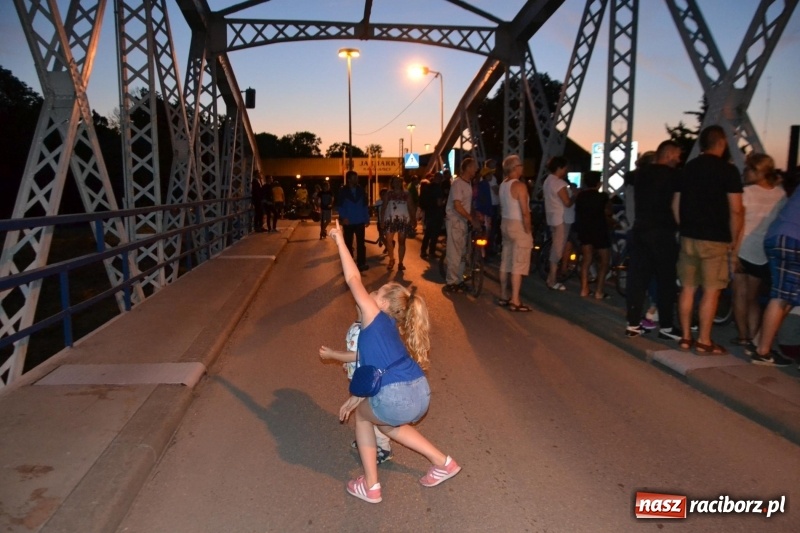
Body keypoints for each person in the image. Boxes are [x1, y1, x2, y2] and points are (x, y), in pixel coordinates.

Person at [328, 219, 461, 504]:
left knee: (363, 418)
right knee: (386, 424)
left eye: (377, 293)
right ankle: (443, 462)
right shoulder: (390, 328)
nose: (372, 293)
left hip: (397, 396)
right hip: (419, 392)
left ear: (384, 304)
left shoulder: (374, 317)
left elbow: (353, 279)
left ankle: (371, 486)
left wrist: (339, 239)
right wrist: (355, 398)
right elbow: (372, 372)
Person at [672, 125, 744, 354]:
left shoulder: (688, 169)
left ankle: (685, 338)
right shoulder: (728, 171)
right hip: (716, 239)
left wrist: (683, 226)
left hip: (689, 237)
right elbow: (736, 210)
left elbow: (676, 203)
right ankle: (704, 341)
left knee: (688, 288)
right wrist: (734, 241)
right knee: (712, 291)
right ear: (721, 143)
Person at [318, 306, 393, 463]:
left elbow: (357, 355)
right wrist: (348, 364)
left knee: (372, 413)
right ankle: (368, 438)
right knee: (363, 412)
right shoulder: (357, 325)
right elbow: (352, 351)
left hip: (369, 380)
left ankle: (383, 447)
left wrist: (333, 355)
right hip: (360, 379)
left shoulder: (364, 330)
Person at [624, 140, 682, 339]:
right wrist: (680, 227)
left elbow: (629, 178)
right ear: (668, 154)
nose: (679, 160)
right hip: (663, 232)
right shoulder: (674, 175)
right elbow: (676, 206)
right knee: (666, 280)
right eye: (677, 155)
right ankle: (666, 327)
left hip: (640, 230)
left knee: (637, 279)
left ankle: (633, 324)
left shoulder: (640, 174)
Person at [731, 153, 786, 346]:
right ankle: (755, 337)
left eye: (748, 169)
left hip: (743, 247)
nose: (745, 172)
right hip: (762, 251)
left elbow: (740, 225)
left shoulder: (747, 192)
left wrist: (734, 253)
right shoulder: (780, 194)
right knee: (753, 298)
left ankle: (743, 336)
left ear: (757, 171)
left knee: (739, 294)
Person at [750, 183, 798, 367]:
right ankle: (763, 352)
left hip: (778, 236)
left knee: (789, 296)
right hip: (794, 240)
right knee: (782, 297)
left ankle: (758, 342)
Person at [497, 155, 533, 312]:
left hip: (505, 224)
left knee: (506, 261)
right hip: (518, 225)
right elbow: (525, 212)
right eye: (520, 165)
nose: (522, 167)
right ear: (514, 168)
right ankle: (515, 300)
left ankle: (503, 295)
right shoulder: (520, 186)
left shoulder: (503, 185)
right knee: (518, 263)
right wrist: (528, 230)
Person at [574, 171, 612, 300]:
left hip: (585, 229)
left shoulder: (580, 196)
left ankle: (584, 289)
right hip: (600, 230)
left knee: (586, 260)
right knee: (604, 261)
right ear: (598, 183)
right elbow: (608, 211)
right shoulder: (603, 196)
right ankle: (599, 291)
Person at [443, 158, 478, 293]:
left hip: (462, 222)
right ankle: (451, 282)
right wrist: (471, 219)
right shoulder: (458, 184)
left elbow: (467, 204)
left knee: (463, 254)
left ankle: (459, 280)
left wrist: (473, 216)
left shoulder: (468, 183)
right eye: (474, 167)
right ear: (467, 168)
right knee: (454, 253)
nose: (476, 169)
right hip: (455, 221)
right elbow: (457, 205)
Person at [542, 156, 575, 291]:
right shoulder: (559, 183)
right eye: (565, 168)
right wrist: (575, 195)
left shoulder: (547, 181)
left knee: (556, 247)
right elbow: (567, 202)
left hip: (552, 218)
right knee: (557, 250)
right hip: (562, 219)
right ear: (560, 168)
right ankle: (552, 280)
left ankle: (551, 278)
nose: (566, 170)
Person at [337, 170, 370, 272]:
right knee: (348, 244)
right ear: (349, 179)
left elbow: (365, 205)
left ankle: (361, 263)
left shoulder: (361, 190)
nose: (357, 179)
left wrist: (366, 218)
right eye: (354, 177)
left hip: (360, 220)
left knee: (361, 244)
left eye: (357, 177)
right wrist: (343, 217)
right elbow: (340, 206)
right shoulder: (343, 191)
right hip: (348, 221)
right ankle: (349, 264)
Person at [381, 176, 416, 271]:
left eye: (399, 181)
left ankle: (400, 263)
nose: (397, 183)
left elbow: (411, 207)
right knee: (388, 240)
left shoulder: (407, 194)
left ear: (402, 183)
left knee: (402, 241)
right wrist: (382, 220)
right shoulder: (388, 194)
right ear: (392, 183)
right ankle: (391, 259)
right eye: (395, 181)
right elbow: (383, 207)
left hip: (403, 220)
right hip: (390, 220)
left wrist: (414, 220)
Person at [419, 171, 447, 259]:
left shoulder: (427, 187)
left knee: (427, 233)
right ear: (440, 179)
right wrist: (444, 202)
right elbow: (439, 203)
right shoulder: (438, 189)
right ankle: (431, 251)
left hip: (428, 212)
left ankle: (423, 251)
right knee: (435, 234)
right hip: (436, 213)